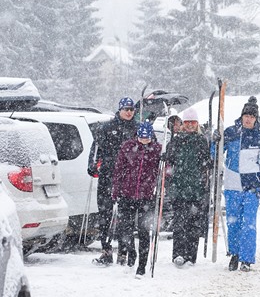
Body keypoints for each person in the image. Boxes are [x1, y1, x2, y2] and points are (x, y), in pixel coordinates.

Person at [219, 96, 260, 272]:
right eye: (246, 115)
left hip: (252, 188)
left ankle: (246, 259)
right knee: (233, 222)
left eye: (252, 116)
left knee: (249, 224)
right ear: (241, 116)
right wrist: (214, 140)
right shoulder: (230, 132)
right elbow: (216, 153)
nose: (248, 119)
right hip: (232, 186)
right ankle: (234, 254)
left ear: (256, 119)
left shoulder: (259, 137)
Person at [88, 97, 138, 265]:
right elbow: (96, 148)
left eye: (132, 109)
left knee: (125, 216)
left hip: (129, 178)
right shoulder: (108, 127)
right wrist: (93, 165)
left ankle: (123, 252)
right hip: (108, 175)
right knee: (105, 214)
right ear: (120, 110)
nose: (129, 112)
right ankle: (106, 250)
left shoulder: (137, 129)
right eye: (126, 109)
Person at [111, 122, 162, 278]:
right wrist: (116, 189)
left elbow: (163, 171)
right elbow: (119, 169)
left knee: (144, 230)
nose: (144, 141)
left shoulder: (156, 150)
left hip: (146, 196)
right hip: (127, 193)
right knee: (125, 228)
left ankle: (142, 264)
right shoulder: (128, 147)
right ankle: (131, 253)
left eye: (146, 138)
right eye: (141, 138)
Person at [165, 108, 211, 267]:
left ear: (197, 124)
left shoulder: (201, 140)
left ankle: (191, 256)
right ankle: (178, 253)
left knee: (193, 224)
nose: (190, 125)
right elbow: (170, 159)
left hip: (196, 188)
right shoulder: (177, 140)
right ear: (183, 124)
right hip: (180, 187)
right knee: (179, 223)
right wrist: (167, 153)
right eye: (187, 122)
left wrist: (209, 159)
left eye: (193, 122)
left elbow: (207, 161)